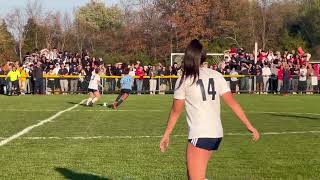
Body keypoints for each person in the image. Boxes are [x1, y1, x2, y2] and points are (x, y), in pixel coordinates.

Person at [159, 39, 260, 180]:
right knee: (193, 175)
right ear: (203, 56)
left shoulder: (185, 79)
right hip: (216, 133)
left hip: (200, 134)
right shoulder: (216, 75)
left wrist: (166, 135)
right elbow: (233, 104)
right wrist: (249, 126)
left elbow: (176, 111)